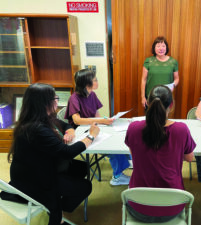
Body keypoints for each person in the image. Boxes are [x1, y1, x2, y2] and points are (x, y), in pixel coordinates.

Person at [1, 83, 100, 225]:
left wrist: (70, 132)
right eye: (55, 98)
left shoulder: (41, 117)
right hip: (34, 181)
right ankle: (55, 209)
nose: (57, 101)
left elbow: (65, 125)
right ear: (44, 103)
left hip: (41, 168)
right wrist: (91, 136)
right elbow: (67, 152)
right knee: (86, 186)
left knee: (82, 167)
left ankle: (58, 201)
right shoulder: (36, 129)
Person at [125, 85, 196, 223]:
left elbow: (133, 153)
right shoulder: (181, 130)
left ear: (148, 103)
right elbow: (189, 157)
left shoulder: (133, 128)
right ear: (172, 105)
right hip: (172, 208)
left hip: (138, 206)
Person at [65, 69, 130, 186]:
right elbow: (77, 120)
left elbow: (96, 114)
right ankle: (117, 177)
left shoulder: (92, 94)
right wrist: (100, 121)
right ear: (86, 83)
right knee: (113, 148)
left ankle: (123, 167)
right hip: (81, 134)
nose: (97, 82)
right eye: (95, 80)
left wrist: (105, 122)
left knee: (119, 139)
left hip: (93, 129)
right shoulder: (74, 98)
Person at [141, 36, 179, 108]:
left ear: (166, 48)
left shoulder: (173, 62)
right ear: (154, 48)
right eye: (158, 46)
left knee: (165, 118)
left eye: (163, 46)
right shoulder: (148, 61)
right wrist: (143, 97)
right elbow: (143, 80)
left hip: (166, 97)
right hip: (151, 97)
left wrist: (173, 85)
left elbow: (177, 79)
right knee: (151, 118)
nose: (161, 48)